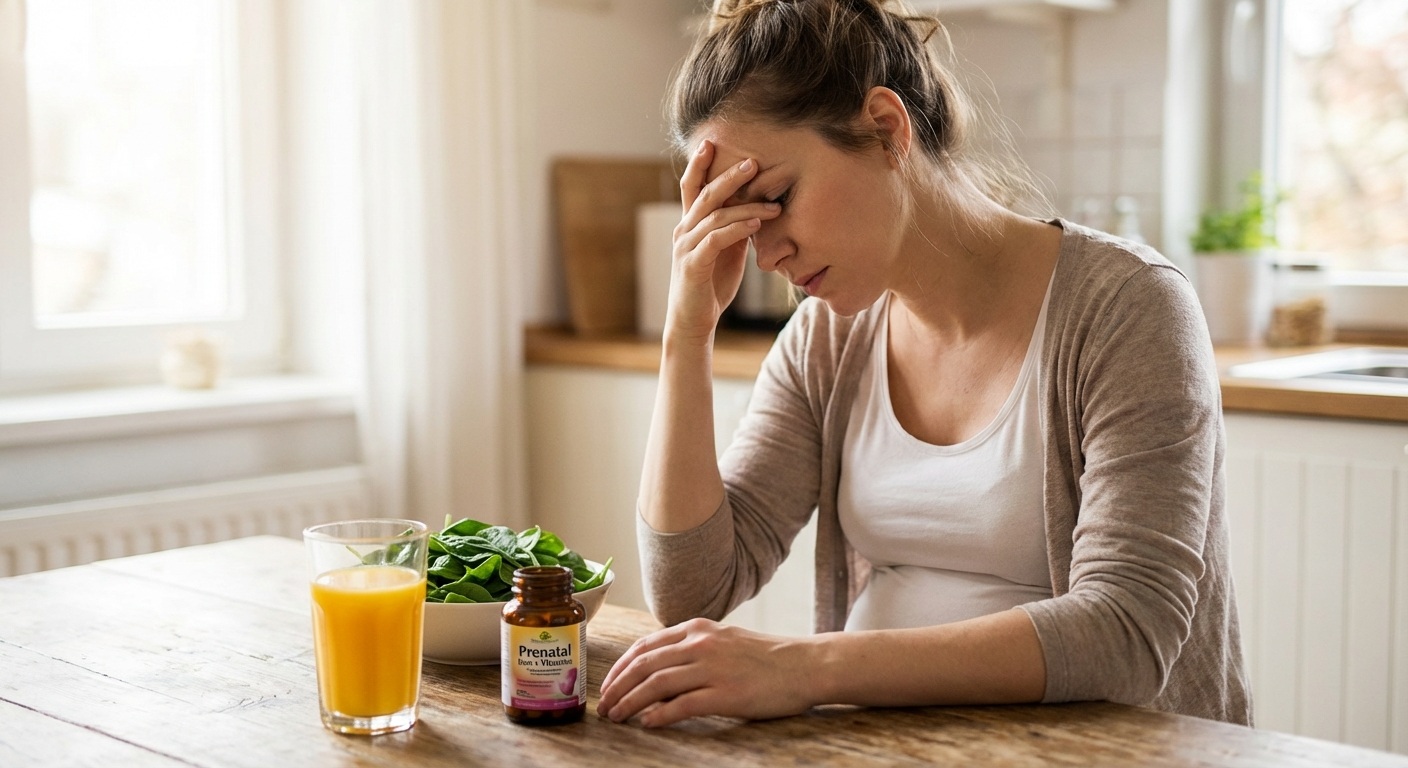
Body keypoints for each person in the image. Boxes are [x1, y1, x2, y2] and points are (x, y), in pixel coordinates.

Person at [596, 0, 1252, 728]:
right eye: (739, 221)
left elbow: (1127, 632)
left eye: (776, 198)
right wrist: (687, 332)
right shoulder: (825, 340)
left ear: (886, 129)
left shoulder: (1127, 306)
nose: (766, 253)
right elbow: (692, 590)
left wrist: (802, 668)